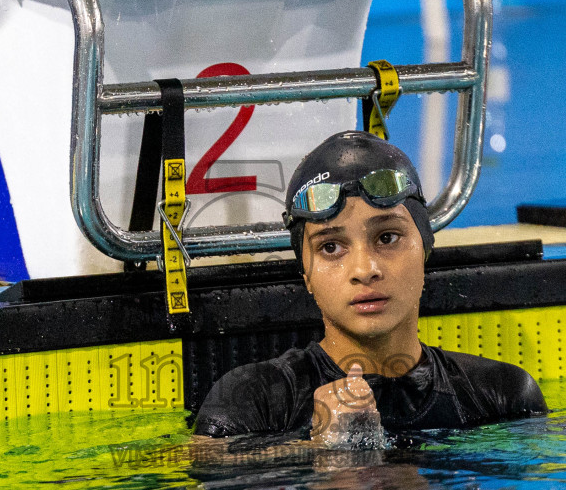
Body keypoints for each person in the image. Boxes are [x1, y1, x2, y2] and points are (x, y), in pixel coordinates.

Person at [193, 131, 547, 443]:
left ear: (424, 248)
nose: (365, 270)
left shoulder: (502, 396)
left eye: (387, 237)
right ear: (305, 273)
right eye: (330, 247)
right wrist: (314, 448)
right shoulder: (249, 400)